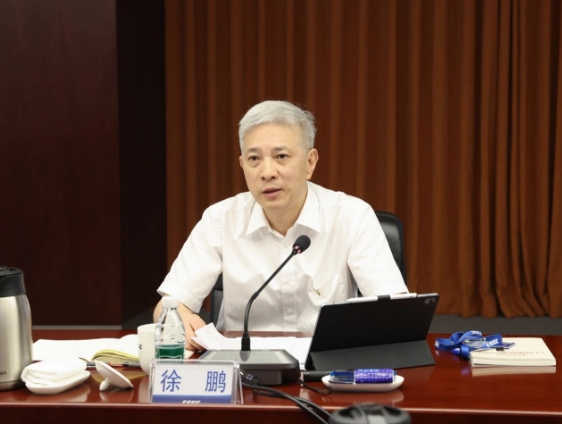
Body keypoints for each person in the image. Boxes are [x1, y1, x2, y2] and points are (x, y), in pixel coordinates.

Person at [154, 100, 407, 350]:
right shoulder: (220, 220)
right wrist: (179, 319)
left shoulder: (352, 218)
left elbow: (394, 313)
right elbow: (167, 308)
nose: (267, 172)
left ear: (310, 163)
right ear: (242, 165)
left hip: (327, 366)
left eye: (281, 156)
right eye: (254, 158)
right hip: (241, 368)